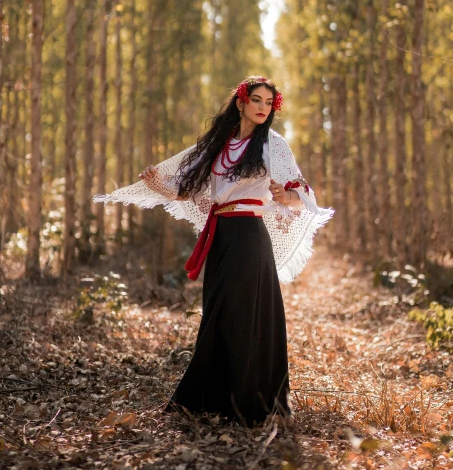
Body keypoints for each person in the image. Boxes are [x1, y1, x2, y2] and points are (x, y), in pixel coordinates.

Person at [93, 75, 334, 427]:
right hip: (220, 236)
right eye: (257, 100)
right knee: (218, 313)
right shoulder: (219, 145)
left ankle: (251, 403)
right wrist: (157, 183)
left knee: (242, 313)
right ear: (241, 102)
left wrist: (287, 196)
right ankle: (214, 400)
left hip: (250, 237)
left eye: (269, 102)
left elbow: (303, 196)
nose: (263, 108)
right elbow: (189, 188)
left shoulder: (274, 145)